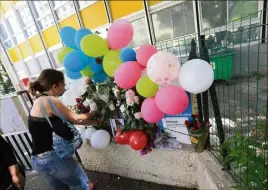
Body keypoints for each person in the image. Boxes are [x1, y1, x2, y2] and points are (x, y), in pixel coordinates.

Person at [28, 69, 97, 190]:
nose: (65, 86)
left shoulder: (37, 101)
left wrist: (95, 122)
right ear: (55, 86)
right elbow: (77, 119)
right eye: (63, 83)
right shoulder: (50, 100)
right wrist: (93, 113)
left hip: (37, 160)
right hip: (52, 159)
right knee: (84, 185)